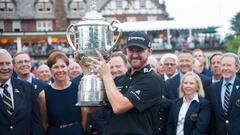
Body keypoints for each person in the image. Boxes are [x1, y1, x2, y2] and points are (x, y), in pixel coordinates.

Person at [87, 31, 163, 134]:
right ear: (126, 51)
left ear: (149, 51)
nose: (135, 55)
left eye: (140, 50)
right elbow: (92, 108)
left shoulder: (153, 80)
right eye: (131, 50)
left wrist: (106, 74)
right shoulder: (120, 79)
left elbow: (119, 107)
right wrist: (86, 69)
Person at [38, 51, 87, 135]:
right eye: (56, 67)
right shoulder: (43, 95)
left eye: (62, 66)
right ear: (50, 70)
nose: (60, 70)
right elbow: (44, 123)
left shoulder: (79, 88)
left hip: (77, 132)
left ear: (67, 67)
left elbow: (85, 118)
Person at [0, 49, 44, 135]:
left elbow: (36, 121)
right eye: (0, 64)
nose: (5, 67)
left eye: (8, 63)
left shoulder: (27, 88)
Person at [206, 53, 240, 135]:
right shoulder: (211, 89)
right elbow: (211, 117)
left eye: (229, 65)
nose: (225, 68)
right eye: (223, 65)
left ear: (237, 68)